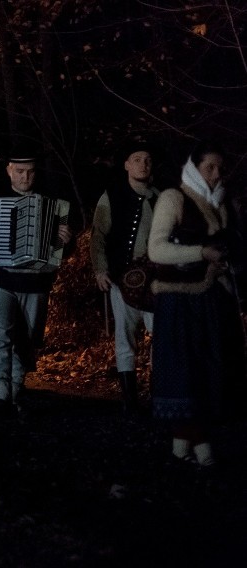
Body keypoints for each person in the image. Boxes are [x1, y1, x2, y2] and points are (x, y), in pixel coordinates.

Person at [0, 144, 75, 418]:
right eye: (19, 171)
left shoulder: (52, 200)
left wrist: (66, 241)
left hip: (35, 281)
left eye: (30, 172)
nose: (25, 177)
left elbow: (60, 252)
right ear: (8, 169)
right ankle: (2, 395)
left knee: (27, 340)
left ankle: (16, 391)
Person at [147, 142, 245, 467]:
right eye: (209, 168)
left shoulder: (224, 203)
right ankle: (199, 451)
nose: (216, 174)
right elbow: (157, 249)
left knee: (210, 372)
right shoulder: (173, 198)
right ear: (195, 168)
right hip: (179, 298)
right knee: (183, 374)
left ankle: (185, 448)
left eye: (220, 168)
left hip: (214, 300)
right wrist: (200, 253)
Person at [90, 142, 159, 415]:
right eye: (137, 159)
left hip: (155, 279)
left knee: (160, 336)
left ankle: (159, 393)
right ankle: (130, 400)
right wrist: (100, 269)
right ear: (127, 165)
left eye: (147, 159)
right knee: (125, 337)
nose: (143, 164)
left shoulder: (161, 196)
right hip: (122, 277)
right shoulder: (112, 195)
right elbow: (98, 235)